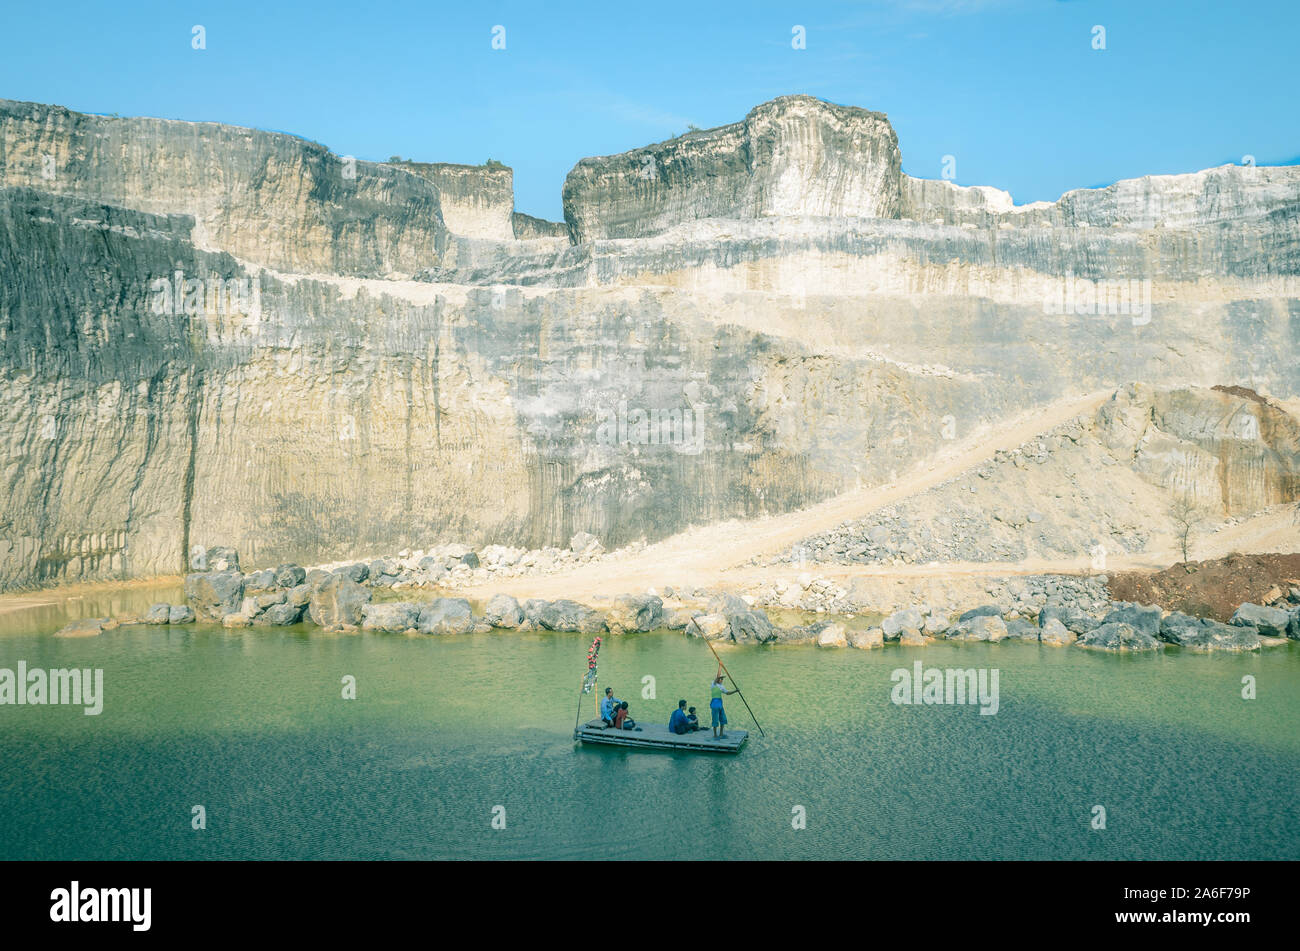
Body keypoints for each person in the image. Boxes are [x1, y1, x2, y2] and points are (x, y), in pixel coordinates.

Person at [710, 673, 734, 738]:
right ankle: (715, 735)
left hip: (720, 704)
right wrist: (720, 666)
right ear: (717, 679)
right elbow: (717, 676)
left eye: (722, 679)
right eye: (720, 678)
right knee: (715, 719)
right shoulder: (713, 684)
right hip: (714, 704)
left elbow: (727, 693)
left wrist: (735, 691)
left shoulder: (722, 687)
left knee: (723, 719)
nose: (722, 680)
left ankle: (721, 733)